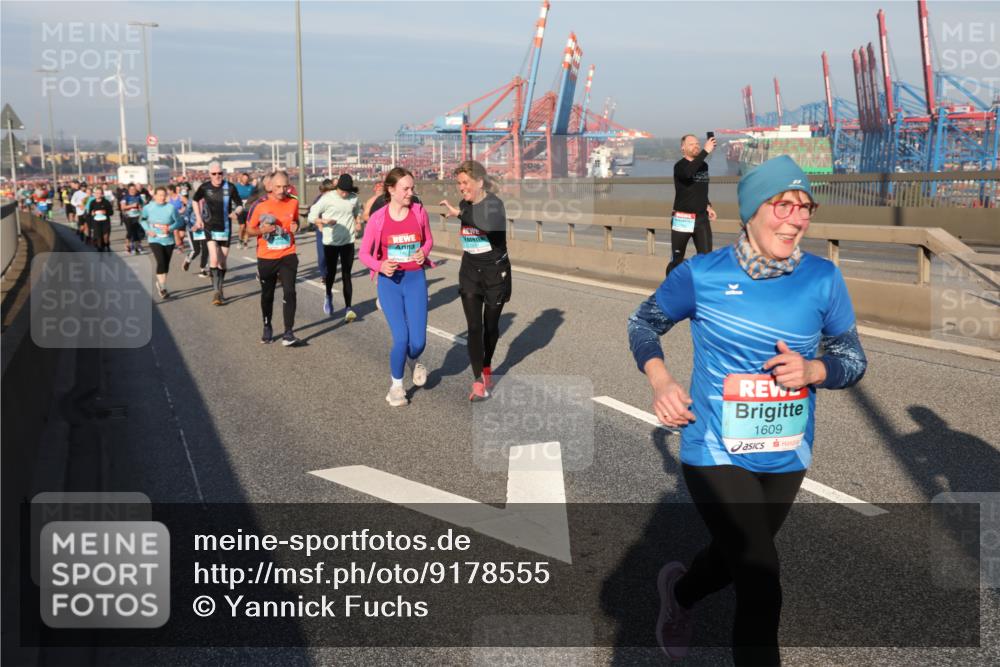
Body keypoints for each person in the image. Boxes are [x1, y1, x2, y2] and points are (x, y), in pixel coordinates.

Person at [627, 156, 867, 665]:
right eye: (783, 204)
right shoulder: (702, 274)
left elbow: (853, 358)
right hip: (714, 448)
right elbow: (642, 323)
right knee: (760, 575)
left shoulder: (823, 279)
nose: (796, 219)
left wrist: (815, 371)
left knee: (734, 556)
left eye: (805, 207)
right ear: (752, 211)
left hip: (787, 453)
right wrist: (661, 378)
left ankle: (681, 594)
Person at [359, 167, 434, 407]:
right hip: (390, 283)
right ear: (391, 190)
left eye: (412, 188)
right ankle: (396, 387)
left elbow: (428, 239)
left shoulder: (419, 212)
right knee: (401, 338)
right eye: (406, 188)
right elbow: (363, 253)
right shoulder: (378, 218)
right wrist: (380, 266)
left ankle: (414, 359)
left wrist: (423, 252)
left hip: (415, 280)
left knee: (418, 342)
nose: (410, 193)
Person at [439, 160, 511, 401]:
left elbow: (488, 227)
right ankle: (478, 380)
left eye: (465, 182)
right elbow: (470, 225)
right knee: (474, 327)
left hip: (495, 273)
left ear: (480, 182)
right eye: (459, 183)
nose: (461, 187)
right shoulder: (463, 204)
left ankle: (487, 365)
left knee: (490, 327)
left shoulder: (494, 204)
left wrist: (461, 213)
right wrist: (461, 211)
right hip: (470, 270)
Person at [247, 170, 301, 347]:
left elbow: (296, 222)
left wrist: (296, 226)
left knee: (290, 291)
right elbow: (249, 230)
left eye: (285, 186)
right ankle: (267, 326)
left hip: (288, 254)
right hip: (267, 257)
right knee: (267, 294)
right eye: (278, 186)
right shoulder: (259, 205)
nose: (281, 190)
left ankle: (288, 332)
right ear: (270, 186)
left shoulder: (293, 202)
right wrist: (262, 230)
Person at [309, 173, 362, 320]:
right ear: (337, 187)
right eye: (342, 191)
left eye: (347, 191)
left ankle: (348, 308)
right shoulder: (327, 198)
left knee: (346, 275)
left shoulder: (354, 198)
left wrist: (358, 221)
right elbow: (311, 216)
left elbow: (357, 211)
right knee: (331, 273)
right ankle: (328, 295)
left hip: (348, 241)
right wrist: (324, 221)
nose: (344, 194)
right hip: (331, 242)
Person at [191, 161, 245, 305]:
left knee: (222, 262)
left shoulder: (230, 187)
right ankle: (216, 292)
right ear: (209, 174)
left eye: (220, 173)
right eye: (214, 174)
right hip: (210, 227)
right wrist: (198, 219)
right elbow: (195, 201)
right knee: (213, 259)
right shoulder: (205, 187)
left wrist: (236, 212)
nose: (217, 176)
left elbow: (240, 204)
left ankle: (220, 288)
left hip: (225, 228)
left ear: (223, 173)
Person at [665, 134, 717, 276]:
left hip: (701, 219)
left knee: (706, 260)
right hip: (683, 219)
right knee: (677, 260)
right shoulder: (679, 167)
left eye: (697, 144)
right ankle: (672, 290)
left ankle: (703, 292)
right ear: (683, 148)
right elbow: (688, 173)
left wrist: (708, 205)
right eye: (691, 144)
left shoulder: (704, 166)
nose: (696, 146)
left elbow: (701, 189)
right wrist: (705, 151)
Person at [140, 186, 185, 298]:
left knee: (165, 264)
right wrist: (148, 230)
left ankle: (160, 283)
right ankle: (163, 287)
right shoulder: (148, 208)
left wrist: (169, 228)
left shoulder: (171, 208)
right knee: (160, 261)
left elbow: (179, 222)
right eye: (159, 195)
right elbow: (142, 220)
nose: (162, 197)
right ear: (154, 196)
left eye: (164, 195)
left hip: (168, 240)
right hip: (154, 239)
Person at [181, 187, 209, 277]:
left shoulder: (209, 202)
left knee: (206, 249)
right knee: (196, 250)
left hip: (205, 229)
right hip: (193, 229)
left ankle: (203, 269)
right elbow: (186, 216)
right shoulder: (191, 202)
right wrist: (190, 226)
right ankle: (188, 260)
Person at [86, 187, 115, 253]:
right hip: (96, 222)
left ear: (102, 194)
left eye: (99, 193)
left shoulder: (106, 202)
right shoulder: (92, 202)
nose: (97, 194)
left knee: (106, 238)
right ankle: (100, 248)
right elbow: (89, 213)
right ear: (94, 194)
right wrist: (92, 213)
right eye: (96, 193)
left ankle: (107, 245)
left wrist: (105, 212)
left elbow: (111, 212)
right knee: (98, 236)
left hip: (105, 222)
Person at [121, 184, 145, 255]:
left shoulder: (138, 196)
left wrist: (141, 207)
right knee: (130, 232)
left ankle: (138, 246)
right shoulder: (125, 198)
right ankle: (128, 246)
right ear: (129, 190)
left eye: (134, 189)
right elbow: (122, 207)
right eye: (131, 189)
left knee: (138, 232)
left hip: (137, 216)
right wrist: (132, 206)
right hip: (128, 217)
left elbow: (141, 205)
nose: (133, 191)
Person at [234, 172, 255, 249]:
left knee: (248, 226)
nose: (245, 180)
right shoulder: (237, 187)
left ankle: (245, 242)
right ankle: (240, 240)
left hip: (249, 209)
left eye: (247, 179)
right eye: (244, 179)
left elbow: (254, 197)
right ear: (241, 179)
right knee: (242, 226)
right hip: (240, 209)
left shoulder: (251, 187)